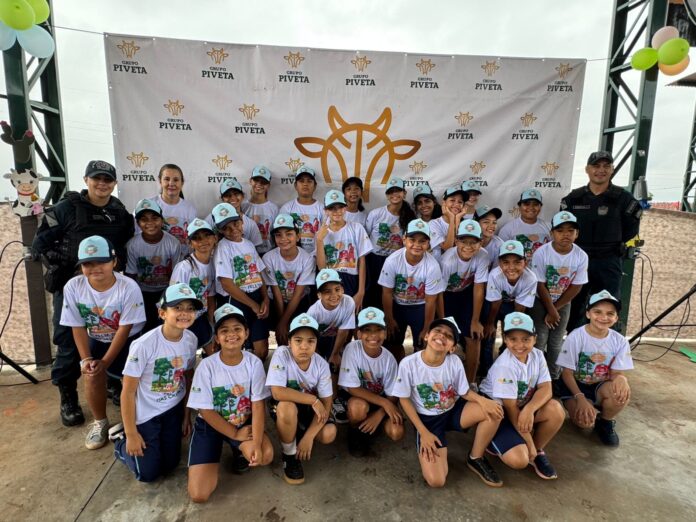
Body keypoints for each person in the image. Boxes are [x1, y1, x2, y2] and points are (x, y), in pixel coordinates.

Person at [32, 160, 134, 427]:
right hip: (74, 289)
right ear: (86, 179)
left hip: (110, 288)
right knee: (68, 344)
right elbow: (39, 245)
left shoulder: (119, 212)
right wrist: (67, 270)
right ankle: (68, 397)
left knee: (112, 336)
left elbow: (124, 245)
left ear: (114, 184)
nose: (102, 184)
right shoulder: (66, 209)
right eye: (97, 178)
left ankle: (111, 384)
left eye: (108, 180)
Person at [392, 317, 504, 488]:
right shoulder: (408, 364)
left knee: (494, 411)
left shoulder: (454, 361)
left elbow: (463, 391)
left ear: (452, 347)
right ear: (426, 336)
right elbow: (404, 399)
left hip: (453, 411)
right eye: (437, 331)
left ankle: (476, 457)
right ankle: (434, 444)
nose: (442, 336)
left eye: (449, 335)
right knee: (437, 480)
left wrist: (483, 401)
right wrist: (423, 432)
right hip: (428, 421)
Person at [60, 236, 146, 449]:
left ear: (114, 262)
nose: (95, 268)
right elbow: (77, 325)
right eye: (88, 263)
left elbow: (125, 329)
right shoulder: (73, 286)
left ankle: (141, 418)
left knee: (134, 380)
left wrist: (105, 363)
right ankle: (100, 422)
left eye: (102, 262)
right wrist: (87, 360)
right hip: (96, 338)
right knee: (91, 373)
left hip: (130, 341)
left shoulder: (128, 287)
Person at [109, 283, 201, 482]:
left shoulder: (191, 339)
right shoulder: (143, 345)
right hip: (146, 415)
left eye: (190, 308)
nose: (185, 313)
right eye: (177, 307)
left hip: (173, 409)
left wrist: (186, 416)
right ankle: (121, 443)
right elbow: (128, 392)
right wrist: (132, 433)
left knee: (171, 464)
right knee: (148, 474)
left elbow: (187, 377)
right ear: (162, 313)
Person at [187, 304, 274, 502]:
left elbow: (259, 406)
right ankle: (228, 444)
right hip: (211, 425)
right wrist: (234, 434)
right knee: (199, 495)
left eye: (237, 329)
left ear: (246, 333)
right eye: (224, 330)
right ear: (216, 338)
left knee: (265, 455)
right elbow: (206, 410)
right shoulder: (207, 366)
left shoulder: (254, 363)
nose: (231, 334)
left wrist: (258, 443)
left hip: (242, 421)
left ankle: (239, 451)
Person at [561, 151, 642, 331]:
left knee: (608, 306)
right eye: (596, 166)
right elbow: (564, 228)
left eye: (606, 166)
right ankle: (573, 347)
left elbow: (630, 230)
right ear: (587, 170)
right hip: (579, 260)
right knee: (574, 307)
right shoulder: (574, 198)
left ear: (612, 169)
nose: (601, 170)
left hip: (609, 261)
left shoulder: (624, 198)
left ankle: (605, 351)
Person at [480, 312, 565, 480]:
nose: (519, 345)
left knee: (556, 409)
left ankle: (538, 451)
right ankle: (491, 439)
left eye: (526, 339)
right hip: (501, 414)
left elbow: (546, 388)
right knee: (519, 461)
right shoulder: (505, 366)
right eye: (513, 339)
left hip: (521, 407)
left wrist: (529, 409)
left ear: (535, 338)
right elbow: (510, 409)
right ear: (505, 339)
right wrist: (529, 444)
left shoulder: (538, 355)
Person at [265, 313, 337, 485]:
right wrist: (313, 400)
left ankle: (300, 434)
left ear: (316, 344)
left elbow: (327, 404)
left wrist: (309, 437)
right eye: (298, 341)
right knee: (287, 408)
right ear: (289, 343)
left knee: (329, 434)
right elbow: (277, 392)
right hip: (287, 405)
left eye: (310, 341)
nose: (304, 346)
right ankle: (289, 455)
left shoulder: (321, 364)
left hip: (308, 409)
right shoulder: (282, 354)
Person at [556, 290, 633, 446]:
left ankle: (605, 421)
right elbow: (567, 373)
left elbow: (616, 372)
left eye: (610, 314)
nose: (604, 317)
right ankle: (581, 406)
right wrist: (581, 398)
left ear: (616, 318)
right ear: (588, 314)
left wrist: (622, 378)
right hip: (576, 386)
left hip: (600, 385)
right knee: (584, 423)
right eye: (597, 312)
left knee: (622, 392)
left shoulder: (619, 340)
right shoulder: (575, 337)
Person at [339, 307, 403, 457]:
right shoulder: (352, 349)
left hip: (379, 401)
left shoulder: (389, 359)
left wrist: (380, 413)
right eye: (367, 330)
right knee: (357, 407)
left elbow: (393, 394)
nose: (373, 335)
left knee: (396, 432)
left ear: (385, 333)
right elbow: (353, 388)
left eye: (378, 329)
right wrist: (386, 404)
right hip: (359, 397)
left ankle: (373, 423)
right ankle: (356, 432)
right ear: (358, 334)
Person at [530, 211, 588, 378]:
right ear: (552, 233)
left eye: (571, 231)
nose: (565, 235)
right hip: (540, 301)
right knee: (539, 340)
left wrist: (556, 309)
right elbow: (539, 284)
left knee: (556, 342)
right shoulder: (541, 252)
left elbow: (577, 286)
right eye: (560, 230)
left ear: (577, 234)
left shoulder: (581, 256)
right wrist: (550, 309)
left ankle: (554, 377)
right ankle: (537, 377)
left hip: (563, 302)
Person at [378, 218, 443, 360]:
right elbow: (387, 292)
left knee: (422, 345)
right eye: (412, 240)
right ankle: (397, 373)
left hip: (420, 307)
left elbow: (431, 300)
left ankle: (417, 375)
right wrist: (389, 318)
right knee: (393, 342)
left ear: (428, 243)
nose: (417, 245)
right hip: (397, 306)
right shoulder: (392, 260)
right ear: (404, 239)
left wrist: (427, 326)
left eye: (422, 241)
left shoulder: (432, 266)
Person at [212, 203, 270, 360]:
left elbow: (258, 273)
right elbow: (227, 284)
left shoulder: (249, 244)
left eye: (236, 223)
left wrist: (265, 298)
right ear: (220, 230)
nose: (233, 230)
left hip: (256, 296)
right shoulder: (223, 247)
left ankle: (255, 380)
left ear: (242, 221)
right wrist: (253, 305)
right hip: (236, 300)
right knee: (235, 345)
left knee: (262, 349)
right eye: (226, 228)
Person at [438, 219, 489, 383]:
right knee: (444, 336)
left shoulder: (483, 256)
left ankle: (471, 382)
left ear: (480, 243)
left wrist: (475, 320)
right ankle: (443, 379)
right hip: (446, 296)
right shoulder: (447, 260)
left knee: (474, 336)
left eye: (473, 242)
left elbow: (479, 288)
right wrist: (443, 319)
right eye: (463, 241)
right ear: (456, 241)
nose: (468, 246)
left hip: (467, 294)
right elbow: (439, 293)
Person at [307, 268, 356, 423]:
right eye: (327, 291)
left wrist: (336, 353)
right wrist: (321, 357)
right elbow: (311, 338)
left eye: (337, 289)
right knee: (321, 367)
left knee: (335, 364)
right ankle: (320, 398)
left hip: (337, 339)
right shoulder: (313, 312)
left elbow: (344, 331)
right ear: (319, 295)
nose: (334, 295)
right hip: (317, 341)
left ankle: (335, 397)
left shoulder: (348, 301)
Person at [126, 198, 182, 332]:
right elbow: (130, 275)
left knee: (166, 327)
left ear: (162, 220)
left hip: (166, 291)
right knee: (146, 329)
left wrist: (169, 299)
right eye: (144, 219)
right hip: (142, 293)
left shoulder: (173, 243)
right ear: (138, 223)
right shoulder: (133, 245)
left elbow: (177, 274)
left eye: (154, 218)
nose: (150, 223)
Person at [262, 213, 316, 345]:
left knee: (298, 335)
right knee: (282, 336)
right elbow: (276, 292)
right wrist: (281, 323)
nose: (283, 238)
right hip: (276, 302)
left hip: (299, 302)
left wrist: (283, 323)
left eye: (288, 234)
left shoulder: (307, 259)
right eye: (278, 235)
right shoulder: (268, 258)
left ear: (298, 236)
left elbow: (298, 294)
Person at [316, 189, 373, 309]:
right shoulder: (321, 233)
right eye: (332, 208)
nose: (337, 211)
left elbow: (362, 261)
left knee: (353, 318)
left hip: (352, 279)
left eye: (340, 207)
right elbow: (321, 267)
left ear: (345, 208)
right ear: (326, 211)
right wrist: (319, 240)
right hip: (330, 280)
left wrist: (361, 291)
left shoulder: (356, 228)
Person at [364, 177, 416, 308]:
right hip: (375, 260)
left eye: (398, 191)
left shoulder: (410, 216)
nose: (395, 195)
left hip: (396, 260)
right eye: (391, 192)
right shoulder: (376, 213)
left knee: (392, 292)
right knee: (373, 292)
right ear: (387, 195)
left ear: (404, 193)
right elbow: (367, 236)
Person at [170, 219, 218, 355]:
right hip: (183, 319)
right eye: (196, 238)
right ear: (190, 243)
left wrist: (211, 325)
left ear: (215, 238)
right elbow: (174, 300)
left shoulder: (215, 264)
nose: (203, 241)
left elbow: (211, 295)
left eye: (207, 236)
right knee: (185, 359)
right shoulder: (184, 267)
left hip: (200, 316)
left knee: (213, 352)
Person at [483, 240, 538, 346]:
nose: (511, 267)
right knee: (488, 332)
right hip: (494, 304)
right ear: (499, 263)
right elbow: (495, 303)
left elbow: (520, 308)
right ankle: (487, 359)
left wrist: (512, 326)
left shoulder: (531, 279)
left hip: (514, 305)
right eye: (506, 262)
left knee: (513, 332)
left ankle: (506, 349)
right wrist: (490, 323)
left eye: (517, 262)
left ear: (525, 263)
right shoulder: (494, 275)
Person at [475, 204, 504, 377]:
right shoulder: (467, 241)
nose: (491, 226)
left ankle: (486, 371)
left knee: (488, 332)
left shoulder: (499, 245)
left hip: (489, 294)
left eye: (494, 222)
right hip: (467, 292)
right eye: (486, 221)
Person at [205, 177, 263, 249]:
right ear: (222, 198)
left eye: (236, 194)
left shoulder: (250, 224)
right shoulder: (211, 218)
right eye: (227, 195)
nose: (232, 198)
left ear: (242, 196)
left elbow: (255, 249)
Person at [279, 166, 324, 256]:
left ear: (315, 186)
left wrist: (315, 256)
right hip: (292, 257)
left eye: (309, 181)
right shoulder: (287, 208)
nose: (305, 184)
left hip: (316, 257)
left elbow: (325, 236)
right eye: (301, 181)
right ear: (295, 185)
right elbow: (281, 235)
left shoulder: (322, 208)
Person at [151, 164, 197, 252]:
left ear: (182, 183)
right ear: (160, 181)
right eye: (166, 179)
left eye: (176, 180)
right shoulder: (150, 205)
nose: (171, 183)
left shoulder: (190, 209)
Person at [499, 188, 551, 264]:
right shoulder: (508, 229)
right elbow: (501, 257)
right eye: (526, 204)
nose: (531, 207)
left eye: (535, 204)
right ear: (519, 207)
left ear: (540, 207)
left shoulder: (549, 227)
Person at [242, 165, 279, 255]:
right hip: (246, 253)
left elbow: (276, 234)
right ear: (250, 181)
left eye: (263, 182)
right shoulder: (242, 206)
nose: (259, 184)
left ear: (268, 185)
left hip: (268, 253)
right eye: (256, 180)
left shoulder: (274, 208)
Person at [428, 185, 468, 259]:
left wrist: (458, 219)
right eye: (452, 200)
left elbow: (457, 248)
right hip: (438, 266)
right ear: (444, 203)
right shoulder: (433, 223)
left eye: (460, 202)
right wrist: (452, 218)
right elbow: (447, 248)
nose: (456, 204)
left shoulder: (466, 225)